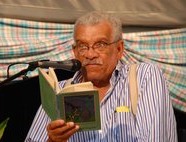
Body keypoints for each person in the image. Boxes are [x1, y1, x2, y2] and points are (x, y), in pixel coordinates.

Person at [25, 11, 177, 142]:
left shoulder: (144, 76)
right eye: (83, 46)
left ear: (119, 49)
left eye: (100, 44)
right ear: (75, 51)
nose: (90, 54)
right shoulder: (58, 92)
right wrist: (53, 140)